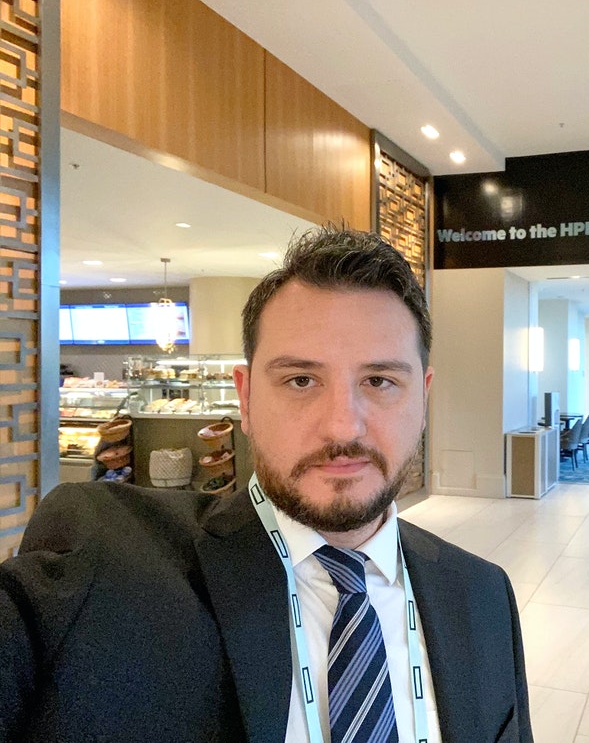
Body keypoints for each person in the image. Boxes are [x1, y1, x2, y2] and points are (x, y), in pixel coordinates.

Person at [0, 227, 533, 743]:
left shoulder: (483, 597)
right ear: (247, 398)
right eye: (301, 380)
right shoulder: (103, 567)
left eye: (380, 381)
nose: (342, 426)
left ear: (423, 398)